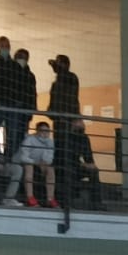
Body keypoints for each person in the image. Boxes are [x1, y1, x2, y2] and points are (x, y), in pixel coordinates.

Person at [47, 54, 80, 204]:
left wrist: (70, 117)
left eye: (59, 64)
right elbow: (54, 101)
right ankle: (60, 192)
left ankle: (69, 193)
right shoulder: (57, 82)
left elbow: (70, 99)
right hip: (59, 122)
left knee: (67, 154)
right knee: (59, 153)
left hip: (67, 122)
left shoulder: (70, 78)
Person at [3, 120, 55, 208]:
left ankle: (50, 199)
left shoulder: (50, 142)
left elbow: (49, 157)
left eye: (47, 131)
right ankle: (30, 198)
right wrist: (35, 162)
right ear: (37, 131)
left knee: (50, 170)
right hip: (20, 163)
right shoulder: (29, 139)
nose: (45, 133)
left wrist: (45, 162)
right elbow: (23, 157)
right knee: (29, 167)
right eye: (43, 131)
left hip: (37, 164)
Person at [62, 119, 103, 209]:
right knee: (69, 171)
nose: (82, 125)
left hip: (77, 167)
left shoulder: (84, 138)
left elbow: (88, 156)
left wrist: (91, 164)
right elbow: (67, 157)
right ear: (72, 124)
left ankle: (96, 203)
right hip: (65, 166)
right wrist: (82, 165)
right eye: (79, 122)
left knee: (94, 171)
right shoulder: (65, 137)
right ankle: (68, 203)